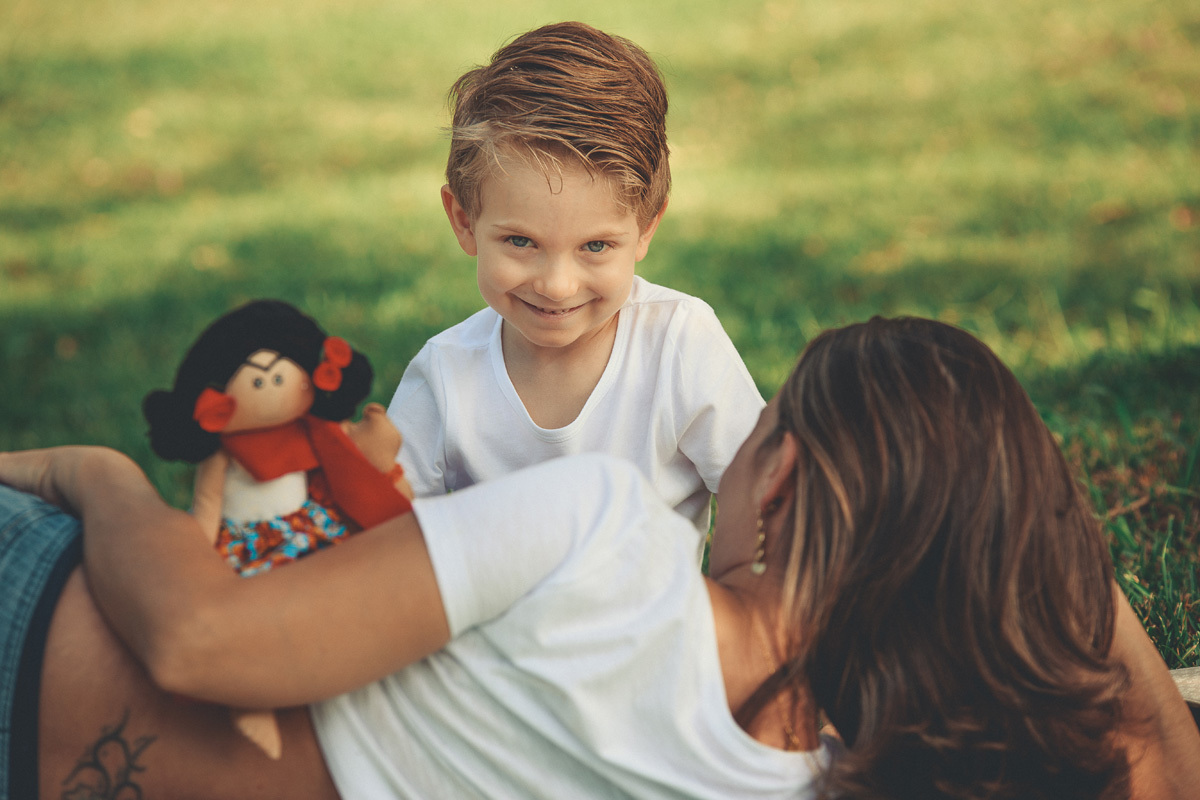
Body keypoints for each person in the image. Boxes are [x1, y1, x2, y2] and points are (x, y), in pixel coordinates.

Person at [3, 317, 1200, 799]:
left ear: (779, 474)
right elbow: (1163, 766)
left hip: (36, 609)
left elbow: (200, 638)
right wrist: (1015, 533)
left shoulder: (606, 530)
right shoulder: (813, 783)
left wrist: (100, 476)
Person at [386, 22, 764, 538]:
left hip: (650, 595)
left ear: (646, 229)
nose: (557, 285)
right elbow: (383, 532)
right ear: (464, 221)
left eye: (595, 246)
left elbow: (770, 503)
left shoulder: (678, 342)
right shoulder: (446, 372)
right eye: (521, 242)